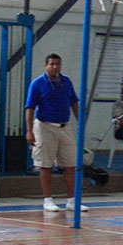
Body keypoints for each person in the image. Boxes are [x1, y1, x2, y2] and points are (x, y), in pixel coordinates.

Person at [25, 54, 85, 213]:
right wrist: (29, 130)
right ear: (46, 66)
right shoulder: (37, 84)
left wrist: (81, 122)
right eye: (52, 64)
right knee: (46, 164)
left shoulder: (66, 81)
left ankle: (72, 200)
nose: (55, 67)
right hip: (45, 126)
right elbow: (29, 108)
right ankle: (48, 200)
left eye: (58, 64)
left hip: (64, 126)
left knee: (71, 164)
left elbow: (74, 102)